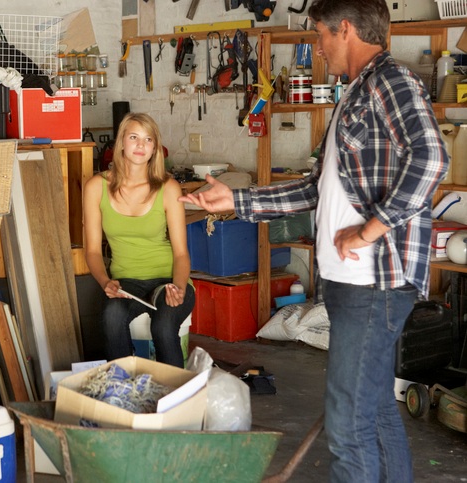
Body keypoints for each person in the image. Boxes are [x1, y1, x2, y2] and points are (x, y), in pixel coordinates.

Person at [180, 1, 448, 481]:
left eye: (319, 35)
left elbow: (431, 158)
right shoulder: (356, 93)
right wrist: (236, 201)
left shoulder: (390, 81)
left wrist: (372, 227)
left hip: (374, 283)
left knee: (347, 427)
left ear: (344, 29)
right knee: (375, 411)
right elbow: (313, 188)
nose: (317, 48)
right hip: (353, 283)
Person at [83, 112, 195, 367]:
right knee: (112, 316)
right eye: (134, 137)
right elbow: (91, 251)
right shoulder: (95, 187)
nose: (141, 145)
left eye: (148, 140)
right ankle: (125, 390)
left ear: (155, 148)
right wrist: (105, 282)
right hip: (126, 281)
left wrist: (178, 286)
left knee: (164, 326)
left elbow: (180, 253)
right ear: (121, 142)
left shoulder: (168, 188)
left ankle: (175, 398)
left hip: (168, 279)